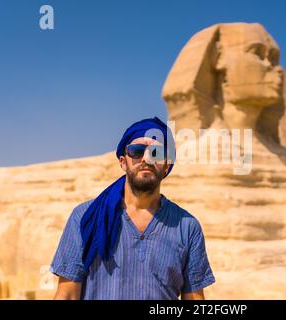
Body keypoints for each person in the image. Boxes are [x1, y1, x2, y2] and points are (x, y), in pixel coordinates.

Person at [50, 116, 215, 300]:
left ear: (167, 165)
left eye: (156, 153)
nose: (146, 158)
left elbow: (194, 299)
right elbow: (67, 295)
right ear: (123, 162)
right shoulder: (85, 217)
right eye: (136, 151)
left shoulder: (187, 227)